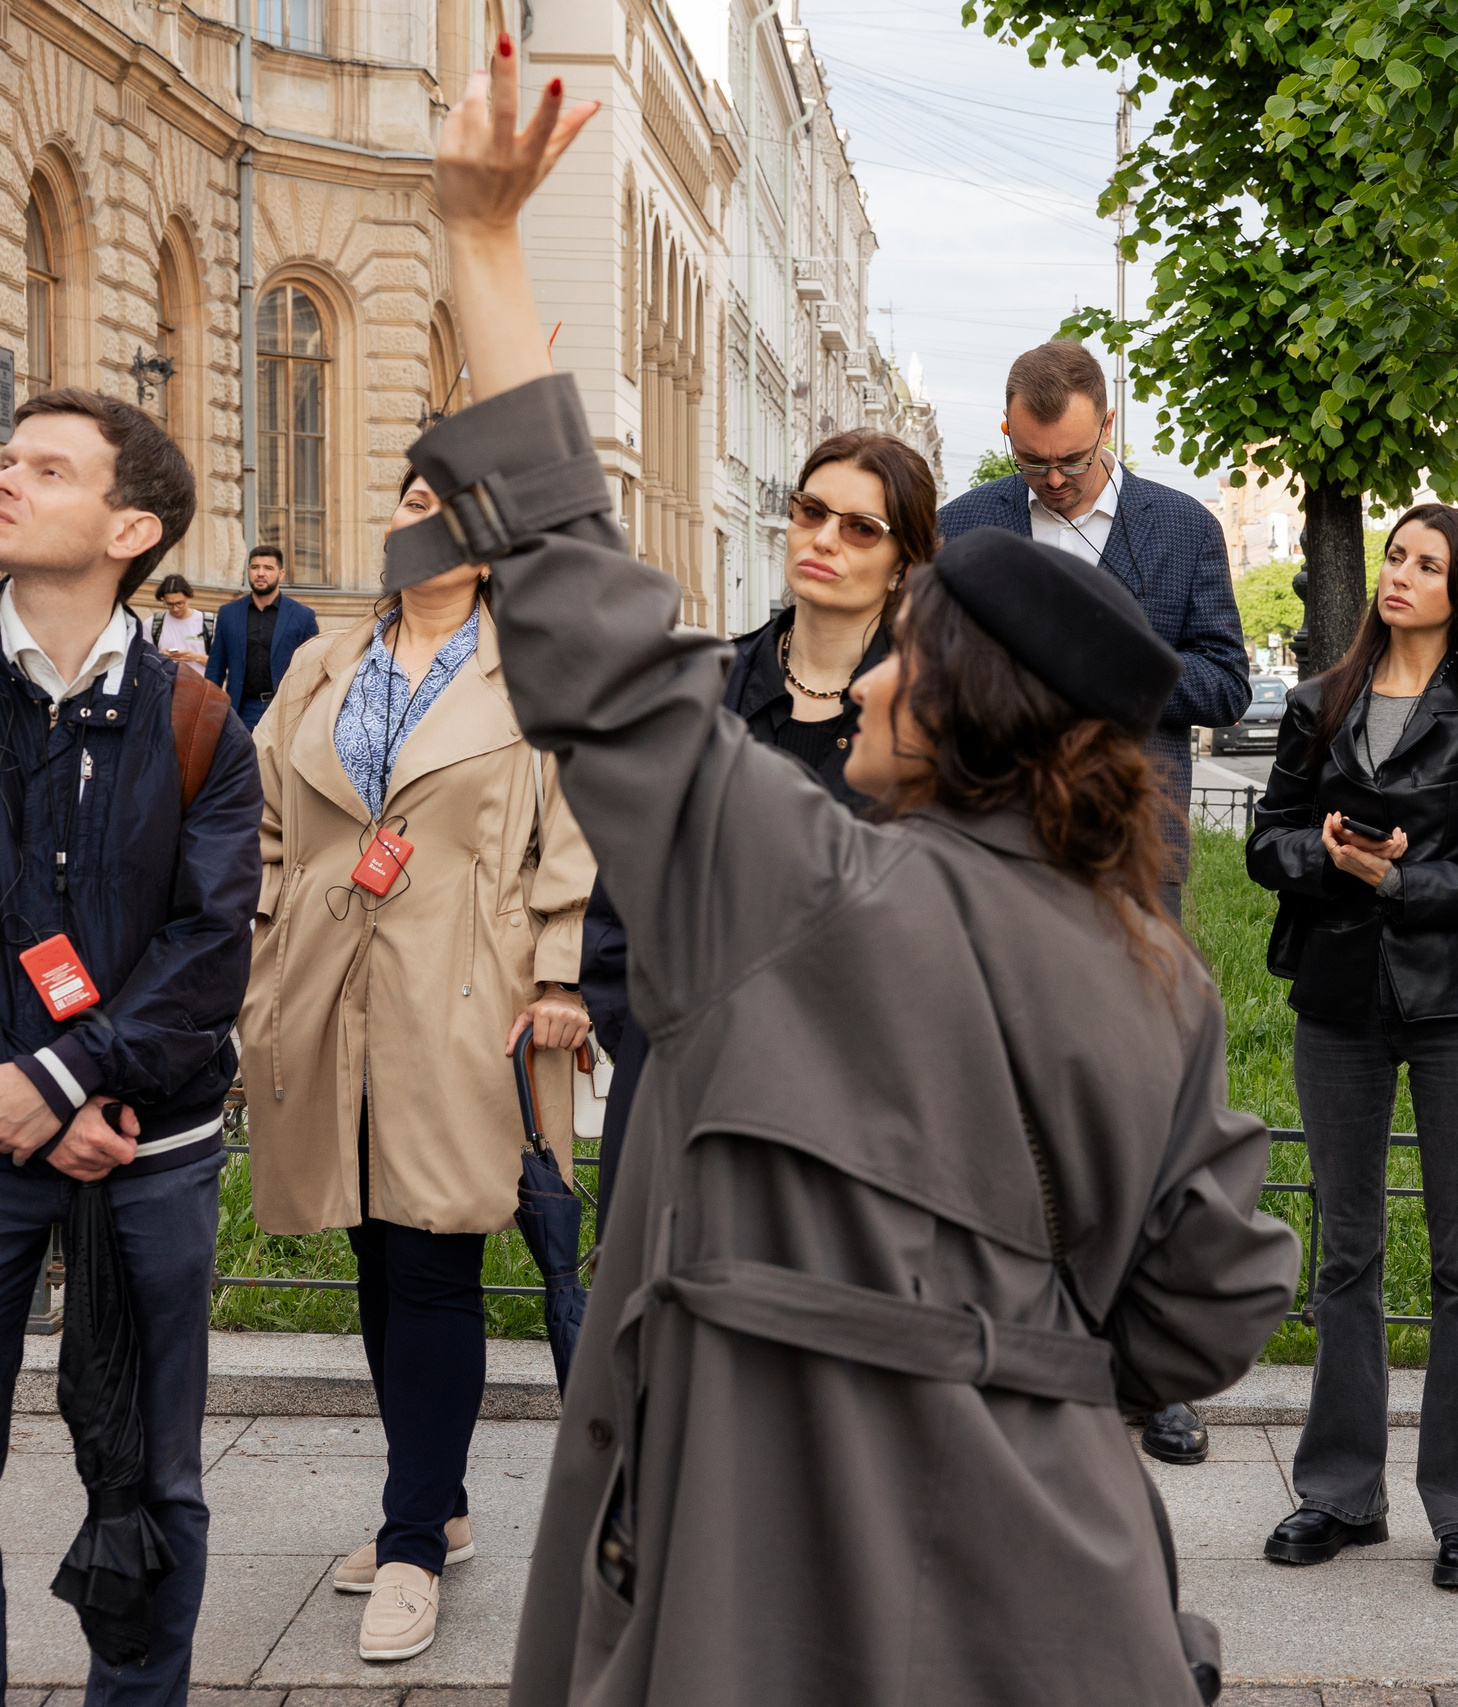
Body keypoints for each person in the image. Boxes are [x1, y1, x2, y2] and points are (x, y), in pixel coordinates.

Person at [416, 56, 1297, 1705]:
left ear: (957, 703)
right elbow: (1221, 1294)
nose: (877, 683)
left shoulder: (796, 882)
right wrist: (1007, 1348)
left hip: (769, 1589)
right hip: (1065, 1603)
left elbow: (589, 647)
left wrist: (479, 237)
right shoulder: (1151, 964)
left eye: (912, 663)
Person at [242, 468, 595, 1664]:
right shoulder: (321, 664)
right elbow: (266, 823)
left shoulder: (532, 669)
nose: (413, 521)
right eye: (400, 502)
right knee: (375, 1253)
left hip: (467, 997)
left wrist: (557, 977)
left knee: (436, 1254)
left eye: (445, 506)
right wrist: (265, 940)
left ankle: (408, 1544)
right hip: (324, 996)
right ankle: (435, 1505)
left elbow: (577, 837)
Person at [939, 337, 1251, 1467]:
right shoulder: (971, 522)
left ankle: (1144, 1363)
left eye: (1067, 462)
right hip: (992, 853)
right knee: (998, 1105)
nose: (1051, 484)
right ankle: (1010, 1344)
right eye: (1031, 462)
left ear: (1105, 427)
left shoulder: (1178, 531)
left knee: (1133, 1109)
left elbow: (1223, 674)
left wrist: (1102, 652)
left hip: (1130, 852)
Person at [0, 388, 260, 1705]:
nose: (8, 475)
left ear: (130, 525)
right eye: (9, 456)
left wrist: (68, 1080)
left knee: (154, 1473)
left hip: (144, 1143)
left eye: (48, 466)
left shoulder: (198, 721)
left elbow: (209, 941)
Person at [1244, 503, 1458, 1593]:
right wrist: (1323, 858)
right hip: (1338, 998)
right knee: (1345, 1250)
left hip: (1457, 1006)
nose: (1400, 577)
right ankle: (1337, 1494)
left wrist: (1403, 880)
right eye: (1395, 558)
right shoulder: (1320, 701)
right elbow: (1263, 839)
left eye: (1427, 564)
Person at [579, 429, 935, 1228]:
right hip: (679, 1106)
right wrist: (651, 1037)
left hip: (851, 1131)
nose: (825, 539)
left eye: (860, 528)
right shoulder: (700, 691)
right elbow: (618, 908)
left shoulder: (927, 722)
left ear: (903, 561)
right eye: (812, 511)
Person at [205, 544, 319, 731]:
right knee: (240, 761)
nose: (260, 573)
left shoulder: (302, 616)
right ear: (248, 571)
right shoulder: (228, 614)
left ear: (281, 574)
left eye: (268, 568)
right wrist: (210, 712)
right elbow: (215, 668)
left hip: (285, 709)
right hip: (241, 710)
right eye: (255, 567)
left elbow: (313, 668)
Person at [144, 574, 207, 672]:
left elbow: (222, 663)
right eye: (169, 604)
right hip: (165, 685)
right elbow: (143, 660)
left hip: (201, 684)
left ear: (188, 597)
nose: (175, 609)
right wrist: (161, 657)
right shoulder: (152, 624)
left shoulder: (208, 623)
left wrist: (196, 657)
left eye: (179, 603)